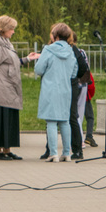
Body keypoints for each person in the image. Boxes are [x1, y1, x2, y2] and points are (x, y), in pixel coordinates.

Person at [0, 15, 34, 160]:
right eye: (11, 28)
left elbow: (11, 61)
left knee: (8, 117)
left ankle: (7, 149)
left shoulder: (6, 42)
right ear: (3, 29)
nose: (13, 31)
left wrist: (27, 59)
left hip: (8, 87)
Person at [34, 22, 79, 162]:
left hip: (50, 89)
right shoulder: (71, 51)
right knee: (65, 121)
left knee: (51, 122)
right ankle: (67, 153)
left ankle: (53, 153)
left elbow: (38, 69)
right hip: (66, 89)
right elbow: (74, 72)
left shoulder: (48, 50)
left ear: (55, 36)